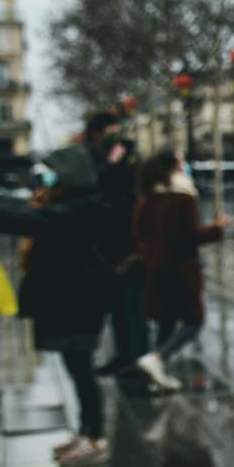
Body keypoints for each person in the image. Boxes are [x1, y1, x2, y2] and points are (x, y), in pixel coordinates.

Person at [0, 147, 115, 467]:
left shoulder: (86, 207)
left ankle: (95, 439)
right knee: (77, 368)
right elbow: (32, 212)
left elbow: (34, 220)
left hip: (81, 301)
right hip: (71, 299)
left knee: (82, 370)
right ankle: (86, 432)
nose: (47, 178)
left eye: (53, 172)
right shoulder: (69, 202)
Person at [131, 152, 231, 393]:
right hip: (181, 269)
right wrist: (217, 228)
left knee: (166, 321)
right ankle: (158, 359)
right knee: (194, 321)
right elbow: (189, 237)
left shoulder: (147, 199)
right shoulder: (184, 197)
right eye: (180, 163)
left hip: (155, 268)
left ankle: (158, 375)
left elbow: (138, 233)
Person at [81, 112, 149, 384]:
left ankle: (139, 358)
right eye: (109, 131)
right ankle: (124, 355)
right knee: (118, 307)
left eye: (116, 130)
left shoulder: (129, 158)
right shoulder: (93, 158)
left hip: (130, 244)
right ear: (96, 133)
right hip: (105, 245)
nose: (114, 136)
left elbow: (132, 194)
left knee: (134, 306)